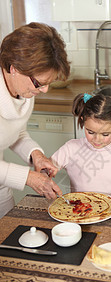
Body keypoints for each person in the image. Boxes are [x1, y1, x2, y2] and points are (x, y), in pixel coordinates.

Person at [0, 22, 70, 218]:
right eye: (40, 83)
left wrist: (36, 156)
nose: (44, 90)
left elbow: (13, 131)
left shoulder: (24, 90)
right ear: (14, 68)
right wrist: (29, 178)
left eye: (48, 84)